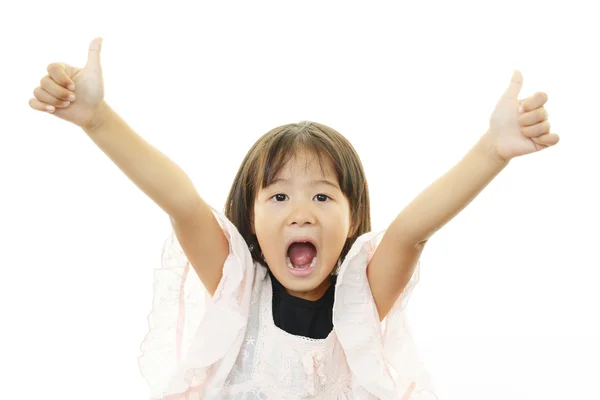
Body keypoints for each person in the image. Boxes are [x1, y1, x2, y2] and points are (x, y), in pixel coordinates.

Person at [29, 38, 560, 400]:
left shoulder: (362, 298)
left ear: (353, 222)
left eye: (323, 198)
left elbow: (412, 231)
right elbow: (182, 202)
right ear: (250, 218)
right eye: (279, 198)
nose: (301, 212)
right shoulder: (238, 289)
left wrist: (493, 150)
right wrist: (99, 120)